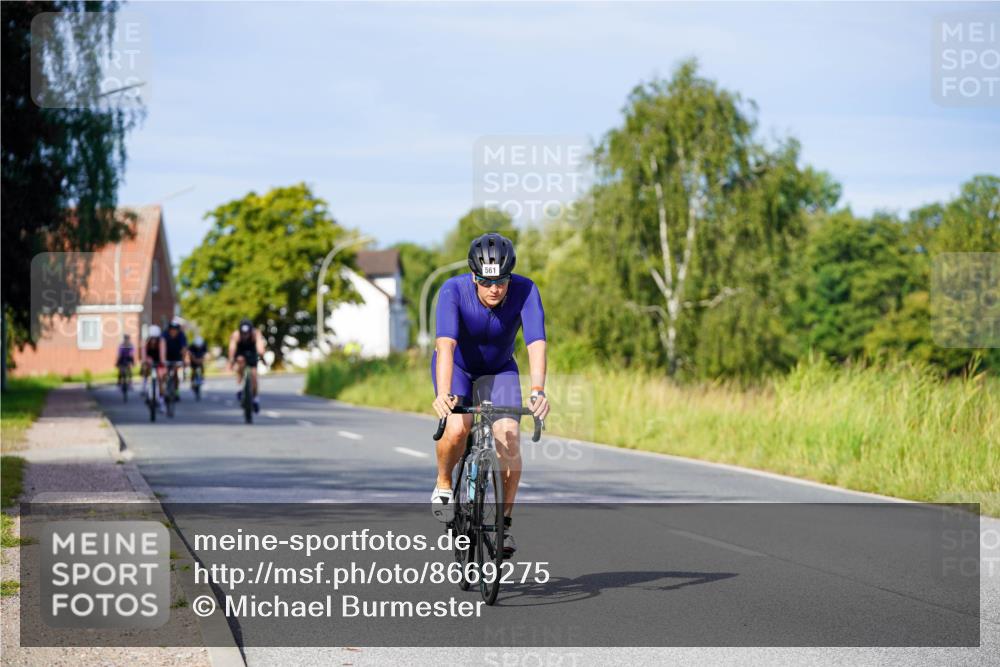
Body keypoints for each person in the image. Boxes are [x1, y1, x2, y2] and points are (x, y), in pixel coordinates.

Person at [430, 232, 550, 558]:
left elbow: (536, 343)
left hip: (500, 371)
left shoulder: (526, 290)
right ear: (474, 276)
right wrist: (444, 394)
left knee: (509, 438)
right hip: (458, 368)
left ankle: (503, 524)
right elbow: (446, 346)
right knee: (457, 428)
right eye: (485, 281)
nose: (494, 288)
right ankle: (444, 483)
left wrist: (538, 391)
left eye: (501, 281)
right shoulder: (452, 290)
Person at [227, 318, 266, 413]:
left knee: (254, 376)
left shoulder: (256, 334)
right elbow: (232, 349)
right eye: (243, 333)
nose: (245, 335)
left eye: (247, 333)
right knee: (240, 362)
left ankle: (255, 399)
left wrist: (262, 358)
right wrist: (231, 361)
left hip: (252, 352)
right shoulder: (236, 335)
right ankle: (240, 386)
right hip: (240, 351)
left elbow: (260, 348)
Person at [141, 324, 166, 410]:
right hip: (149, 360)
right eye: (152, 338)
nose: (153, 340)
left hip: (158, 360)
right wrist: (145, 361)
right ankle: (144, 385)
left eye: (155, 338)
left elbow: (162, 354)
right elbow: (144, 355)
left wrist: (162, 362)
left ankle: (162, 401)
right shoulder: (145, 342)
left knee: (161, 378)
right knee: (145, 368)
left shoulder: (161, 342)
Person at [163, 319, 188, 401]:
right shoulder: (164, 335)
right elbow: (161, 346)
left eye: (175, 329)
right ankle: (164, 390)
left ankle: (176, 391)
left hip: (177, 357)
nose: (173, 331)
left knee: (175, 374)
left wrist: (184, 360)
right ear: (169, 329)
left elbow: (184, 348)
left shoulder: (181, 335)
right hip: (166, 356)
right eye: (172, 329)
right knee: (164, 373)